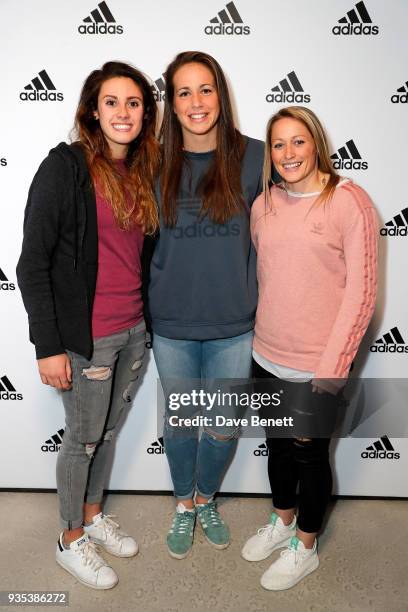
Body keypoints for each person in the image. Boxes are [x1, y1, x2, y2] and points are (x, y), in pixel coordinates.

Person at [16, 61, 160, 589]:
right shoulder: (66, 167)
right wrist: (48, 345)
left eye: (134, 103)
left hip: (134, 332)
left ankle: (93, 515)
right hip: (88, 340)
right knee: (82, 439)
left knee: (106, 433)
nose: (123, 112)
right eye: (111, 102)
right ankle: (69, 539)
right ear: (92, 110)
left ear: (146, 112)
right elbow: (32, 263)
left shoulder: (141, 172)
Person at [242, 106, 378, 590]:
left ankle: (305, 545)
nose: (288, 153)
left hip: (317, 365)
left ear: (316, 142)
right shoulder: (264, 205)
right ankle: (282, 521)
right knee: (277, 449)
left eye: (298, 141)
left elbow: (361, 294)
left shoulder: (349, 202)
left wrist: (333, 365)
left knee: (310, 457)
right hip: (266, 355)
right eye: (278, 144)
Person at [149, 51, 264, 559]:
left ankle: (206, 498)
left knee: (219, 428)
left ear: (221, 93)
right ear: (171, 104)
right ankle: (182, 504)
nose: (196, 102)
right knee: (178, 425)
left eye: (205, 89)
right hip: (170, 323)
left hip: (233, 324)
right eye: (183, 92)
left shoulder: (257, 157)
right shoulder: (152, 162)